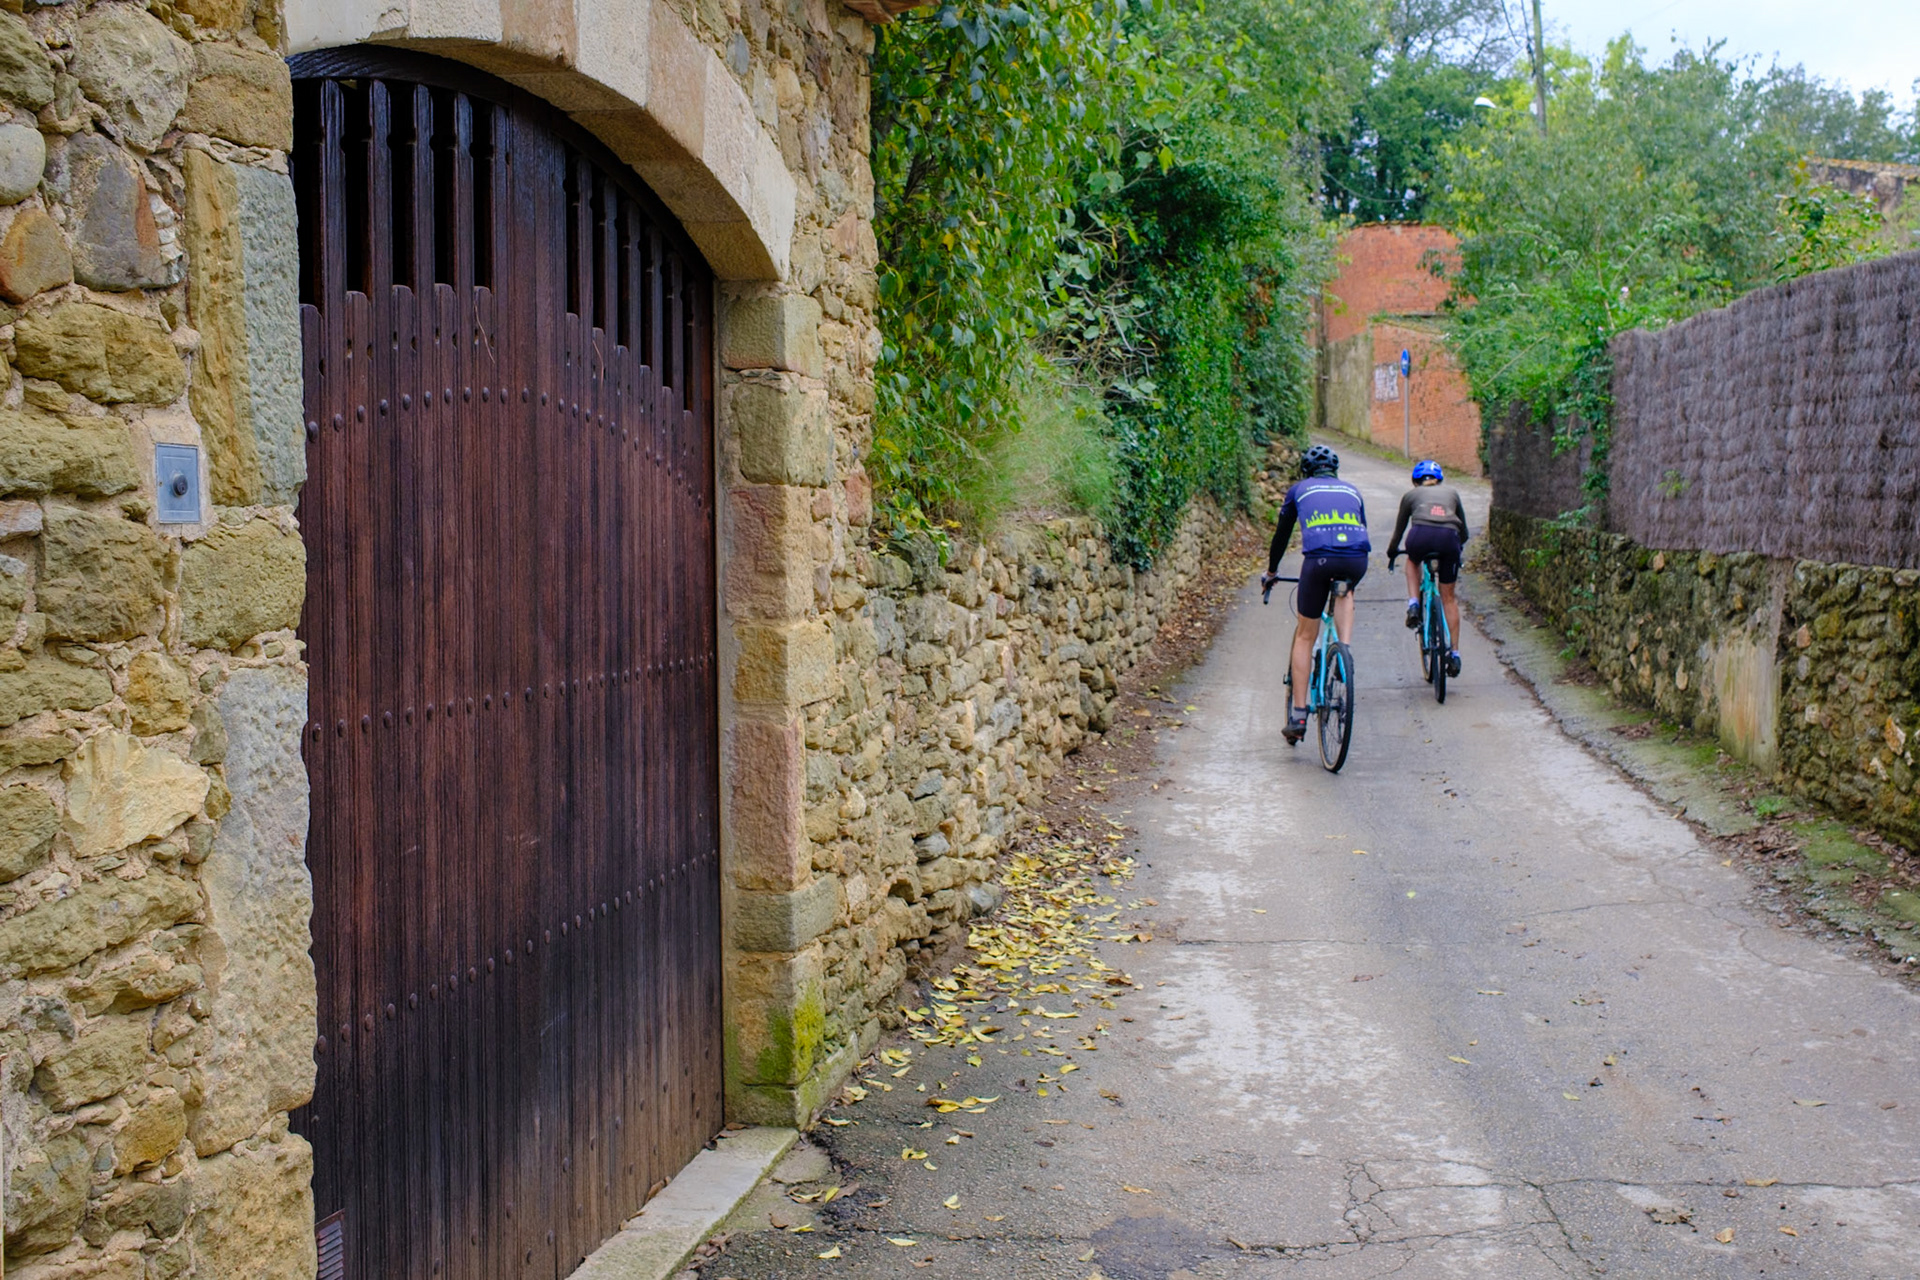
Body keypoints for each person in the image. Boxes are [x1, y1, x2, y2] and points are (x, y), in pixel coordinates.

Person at [1261, 444, 1369, 745]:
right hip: (1356, 558)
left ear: (1305, 471)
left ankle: (1298, 714)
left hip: (1318, 560)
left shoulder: (1299, 490)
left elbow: (1282, 534)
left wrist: (1271, 572)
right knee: (1345, 592)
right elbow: (1363, 530)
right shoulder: (1351, 490)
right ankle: (1342, 654)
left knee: (1305, 636)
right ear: (1334, 471)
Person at [1385, 459, 1468, 678]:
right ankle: (1455, 654)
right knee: (1449, 598)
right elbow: (1465, 532)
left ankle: (1413, 604)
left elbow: (1399, 530)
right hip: (1449, 538)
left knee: (1412, 560)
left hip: (1420, 535)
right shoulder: (1452, 493)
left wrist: (1392, 551)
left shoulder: (1411, 496)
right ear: (1439, 480)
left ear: (1416, 481)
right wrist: (1456, 550)